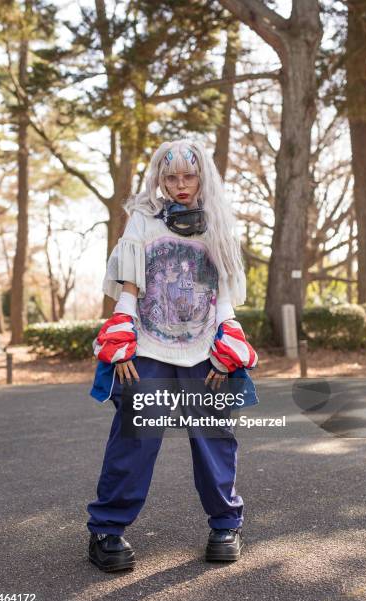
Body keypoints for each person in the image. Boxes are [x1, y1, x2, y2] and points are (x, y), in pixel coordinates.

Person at [87, 139, 259, 572]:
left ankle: (225, 525)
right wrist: (122, 336)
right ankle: (107, 530)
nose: (180, 185)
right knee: (135, 439)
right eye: (171, 177)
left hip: (203, 350)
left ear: (203, 175)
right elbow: (130, 285)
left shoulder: (220, 222)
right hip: (149, 345)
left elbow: (223, 293)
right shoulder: (144, 218)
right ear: (159, 178)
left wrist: (225, 345)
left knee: (214, 438)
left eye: (188, 176)